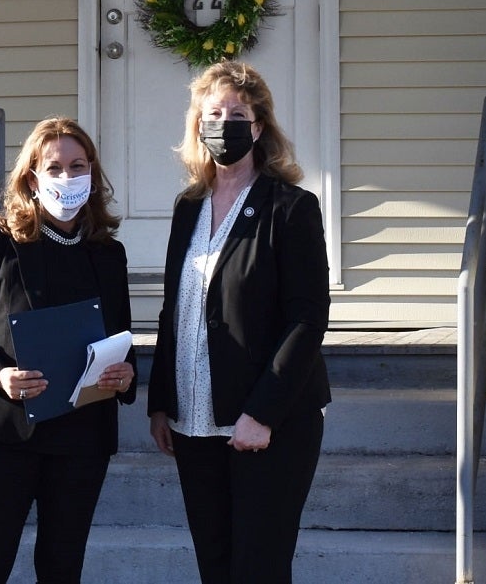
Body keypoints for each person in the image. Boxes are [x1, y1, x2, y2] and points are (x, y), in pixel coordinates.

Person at [148, 61, 331, 584]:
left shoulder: (291, 209)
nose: (222, 122)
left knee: (259, 570)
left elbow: (307, 319)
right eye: (212, 113)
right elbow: (175, 310)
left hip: (266, 425)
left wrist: (263, 413)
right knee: (216, 567)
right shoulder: (188, 207)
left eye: (236, 113)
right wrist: (162, 401)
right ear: (197, 125)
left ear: (258, 127)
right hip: (194, 421)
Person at [0, 117, 136, 584]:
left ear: (92, 174)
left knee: (61, 567)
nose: (67, 177)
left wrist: (125, 375)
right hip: (4, 431)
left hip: (82, 434)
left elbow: (122, 340)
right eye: (55, 167)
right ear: (32, 177)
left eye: (78, 165)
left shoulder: (108, 254)